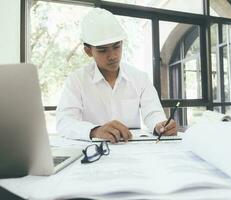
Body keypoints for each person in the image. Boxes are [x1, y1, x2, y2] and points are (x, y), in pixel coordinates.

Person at [56, 8, 177, 143]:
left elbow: (152, 113)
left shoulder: (140, 78)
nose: (112, 56)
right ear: (88, 51)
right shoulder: (76, 80)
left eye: (116, 46)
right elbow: (64, 122)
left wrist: (160, 124)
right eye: (102, 50)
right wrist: (95, 131)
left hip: (132, 150)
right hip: (95, 152)